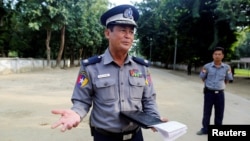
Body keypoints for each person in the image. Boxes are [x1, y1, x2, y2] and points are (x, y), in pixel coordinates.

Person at [51, 4, 167, 141]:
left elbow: (148, 100)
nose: (128, 36)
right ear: (107, 33)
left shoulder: (141, 68)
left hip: (135, 136)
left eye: (131, 32)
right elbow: (82, 100)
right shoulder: (91, 67)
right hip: (105, 137)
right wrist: (76, 113)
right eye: (123, 30)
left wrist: (153, 118)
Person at [196, 47, 233, 135]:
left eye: (219, 54)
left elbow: (227, 79)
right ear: (213, 55)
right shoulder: (207, 66)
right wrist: (209, 85)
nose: (217, 56)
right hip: (209, 93)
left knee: (219, 112)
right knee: (207, 112)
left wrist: (221, 86)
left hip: (220, 94)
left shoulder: (227, 67)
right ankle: (205, 129)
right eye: (215, 54)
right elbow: (203, 77)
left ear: (222, 56)